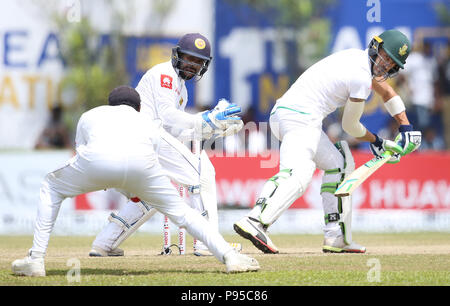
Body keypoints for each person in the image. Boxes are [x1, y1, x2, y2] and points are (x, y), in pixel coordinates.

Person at [11, 86, 259, 277]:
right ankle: (229, 256)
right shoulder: (148, 121)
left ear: (110, 105)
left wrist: (114, 183)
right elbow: (148, 155)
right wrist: (135, 188)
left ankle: (36, 258)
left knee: (51, 186)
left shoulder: (91, 114)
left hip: (95, 161)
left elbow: (82, 151)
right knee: (184, 214)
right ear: (138, 108)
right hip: (144, 168)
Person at [233, 29, 422, 254]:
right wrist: (378, 141)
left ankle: (336, 237)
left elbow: (387, 91)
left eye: (392, 63)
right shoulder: (361, 75)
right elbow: (349, 126)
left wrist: (406, 127)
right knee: (298, 174)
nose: (386, 64)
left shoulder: (357, 59)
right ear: (376, 47)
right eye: (385, 56)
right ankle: (255, 220)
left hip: (293, 116)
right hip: (298, 117)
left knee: (339, 165)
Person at [89, 33, 243, 257]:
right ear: (177, 55)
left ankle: (104, 243)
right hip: (145, 137)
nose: (192, 66)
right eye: (189, 59)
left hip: (145, 141)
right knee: (202, 173)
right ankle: (207, 243)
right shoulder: (165, 75)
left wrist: (215, 128)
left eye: (199, 62)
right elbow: (168, 117)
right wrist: (206, 118)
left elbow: (176, 132)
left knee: (152, 196)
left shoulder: (182, 89)